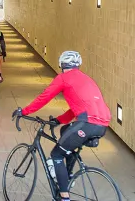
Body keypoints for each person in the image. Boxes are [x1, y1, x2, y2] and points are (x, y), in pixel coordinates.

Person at [12, 51, 110, 200]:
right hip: (102, 125)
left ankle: (64, 197)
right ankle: (68, 176)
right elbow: (77, 108)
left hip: (86, 123)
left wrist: (24, 111)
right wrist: (59, 120)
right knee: (66, 131)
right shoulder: (87, 79)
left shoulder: (63, 78)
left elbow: (44, 97)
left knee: (57, 154)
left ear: (61, 65)